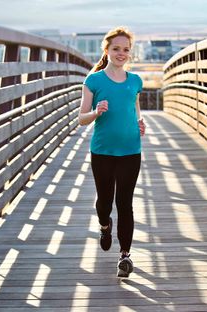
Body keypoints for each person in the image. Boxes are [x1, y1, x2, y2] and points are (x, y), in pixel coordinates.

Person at [78, 26, 145, 278]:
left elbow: (135, 109)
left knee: (124, 203)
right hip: (103, 151)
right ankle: (105, 225)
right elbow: (81, 118)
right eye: (116, 49)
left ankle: (125, 256)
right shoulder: (93, 81)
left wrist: (140, 122)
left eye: (126, 49)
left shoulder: (135, 81)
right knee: (104, 202)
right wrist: (95, 113)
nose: (121, 53)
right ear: (106, 50)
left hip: (131, 150)